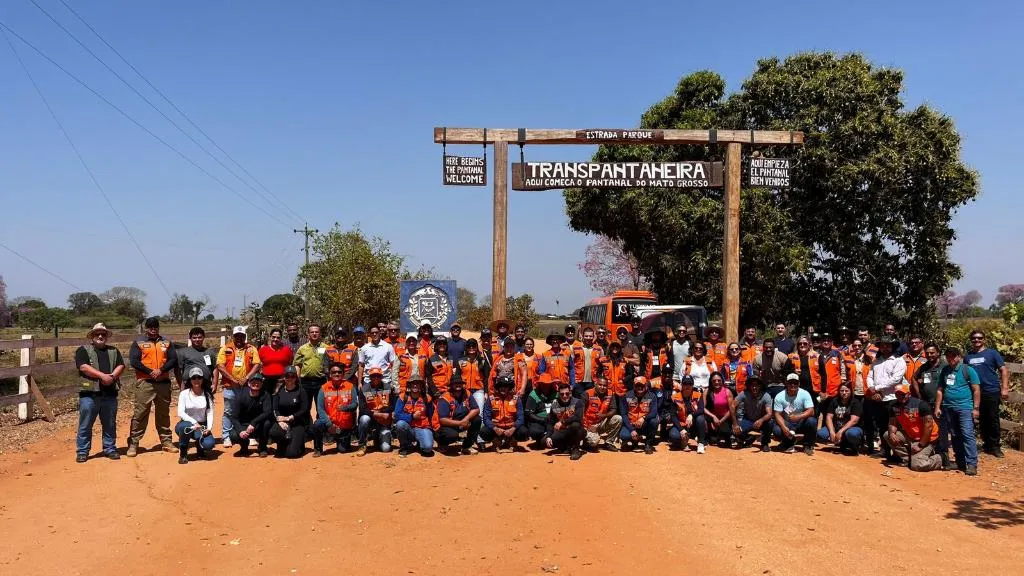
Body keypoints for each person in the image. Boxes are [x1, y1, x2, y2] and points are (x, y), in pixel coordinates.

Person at [127, 316, 178, 456]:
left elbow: (173, 359)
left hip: (163, 383)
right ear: (146, 328)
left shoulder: (166, 342)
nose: (153, 329)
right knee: (140, 413)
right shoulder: (139, 343)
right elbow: (134, 361)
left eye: (155, 326)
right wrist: (150, 372)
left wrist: (161, 370)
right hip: (145, 383)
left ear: (158, 328)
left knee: (163, 414)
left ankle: (166, 441)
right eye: (150, 326)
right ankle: (133, 443)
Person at [75, 323, 125, 462]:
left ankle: (109, 448)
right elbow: (83, 367)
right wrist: (102, 376)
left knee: (110, 423)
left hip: (109, 394)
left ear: (106, 336)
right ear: (92, 336)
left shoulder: (114, 351)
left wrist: (112, 377)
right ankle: (82, 451)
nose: (100, 336)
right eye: (97, 334)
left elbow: (121, 365)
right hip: (89, 394)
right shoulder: (83, 350)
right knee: (85, 424)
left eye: (103, 334)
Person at [935, 347, 981, 476]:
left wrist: (976, 409)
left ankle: (971, 463)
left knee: (967, 434)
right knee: (955, 435)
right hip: (948, 407)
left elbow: (976, 390)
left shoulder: (968, 370)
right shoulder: (945, 370)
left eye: (953, 356)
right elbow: (940, 389)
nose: (951, 358)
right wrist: (938, 407)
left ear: (959, 356)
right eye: (948, 356)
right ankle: (960, 461)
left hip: (965, 407)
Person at [215, 326, 262, 449]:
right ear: (233, 336)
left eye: (242, 336)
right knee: (229, 411)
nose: (239, 338)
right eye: (237, 336)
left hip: (247, 386)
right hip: (230, 386)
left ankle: (250, 436)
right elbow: (220, 365)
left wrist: (246, 378)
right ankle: (226, 437)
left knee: (248, 410)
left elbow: (257, 365)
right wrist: (232, 379)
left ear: (245, 337)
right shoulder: (225, 349)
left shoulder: (251, 349)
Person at [965, 330, 1009, 458]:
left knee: (993, 418)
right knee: (981, 418)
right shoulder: (968, 356)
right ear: (971, 340)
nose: (976, 340)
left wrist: (1004, 387)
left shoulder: (992, 353)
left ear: (984, 339)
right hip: (975, 392)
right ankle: (986, 444)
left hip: (991, 390)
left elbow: (1003, 369)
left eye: (979, 338)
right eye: (974, 338)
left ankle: (995, 446)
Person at [865, 337, 907, 457]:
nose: (885, 348)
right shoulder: (876, 361)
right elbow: (869, 376)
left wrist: (877, 388)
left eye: (888, 345)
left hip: (893, 398)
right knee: (881, 424)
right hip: (878, 398)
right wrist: (872, 389)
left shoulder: (898, 361)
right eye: (883, 345)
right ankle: (885, 450)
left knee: (894, 426)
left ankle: (898, 453)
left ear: (892, 347)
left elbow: (895, 379)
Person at [884, 385, 942, 471]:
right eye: (897, 394)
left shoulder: (920, 405)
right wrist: (891, 433)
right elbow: (892, 423)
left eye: (903, 394)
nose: (900, 397)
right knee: (887, 435)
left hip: (927, 438)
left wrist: (921, 445)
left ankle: (940, 459)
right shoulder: (894, 406)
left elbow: (929, 426)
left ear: (909, 394)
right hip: (911, 435)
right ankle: (907, 459)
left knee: (918, 465)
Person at [311, 362, 358, 456]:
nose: (337, 374)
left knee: (342, 450)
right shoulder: (324, 388)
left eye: (339, 372)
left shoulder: (350, 386)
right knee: (317, 424)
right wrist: (329, 424)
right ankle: (318, 449)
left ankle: (340, 438)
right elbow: (320, 409)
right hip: (330, 422)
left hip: (344, 424)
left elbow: (355, 404)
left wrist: (346, 408)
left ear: (343, 374)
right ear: (330, 374)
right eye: (334, 372)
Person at [175, 367, 217, 464]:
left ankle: (200, 447)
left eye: (199, 377)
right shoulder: (184, 394)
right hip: (187, 424)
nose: (196, 380)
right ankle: (183, 453)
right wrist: (194, 422)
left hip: (201, 426)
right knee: (185, 426)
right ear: (190, 380)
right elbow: (180, 412)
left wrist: (209, 428)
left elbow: (209, 412)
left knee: (209, 444)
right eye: (194, 378)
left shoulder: (207, 394)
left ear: (203, 379)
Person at [269, 366, 310, 458]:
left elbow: (305, 409)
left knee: (291, 454)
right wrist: (280, 420)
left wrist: (290, 417)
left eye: (292, 376)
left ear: (296, 378)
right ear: (284, 377)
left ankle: (299, 444)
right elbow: (275, 409)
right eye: (287, 376)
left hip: (297, 422)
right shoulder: (278, 390)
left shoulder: (301, 391)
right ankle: (282, 443)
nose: (290, 379)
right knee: (273, 432)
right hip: (283, 422)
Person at [228, 372, 272, 457]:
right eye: (253, 381)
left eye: (259, 382)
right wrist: (240, 430)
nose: (256, 383)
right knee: (233, 435)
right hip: (244, 425)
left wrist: (253, 423)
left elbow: (267, 412)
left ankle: (262, 447)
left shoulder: (265, 395)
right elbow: (233, 416)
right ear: (248, 383)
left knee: (267, 424)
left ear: (262, 384)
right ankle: (244, 447)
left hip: (258, 424)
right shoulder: (241, 396)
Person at [773, 373, 817, 455]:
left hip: (801, 423)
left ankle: (807, 445)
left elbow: (811, 411)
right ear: (786, 383)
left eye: (795, 383)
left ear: (799, 384)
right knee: (777, 429)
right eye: (790, 382)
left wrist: (798, 416)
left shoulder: (805, 393)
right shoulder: (779, 396)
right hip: (787, 423)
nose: (793, 385)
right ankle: (789, 442)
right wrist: (783, 427)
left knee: (812, 421)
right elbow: (777, 414)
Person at [436, 377, 482, 454]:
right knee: (452, 435)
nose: (458, 385)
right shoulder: (445, 398)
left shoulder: (467, 393)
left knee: (477, 419)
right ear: (451, 385)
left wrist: (466, 419)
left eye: (460, 383)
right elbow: (443, 420)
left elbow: (476, 409)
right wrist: (460, 423)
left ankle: (467, 446)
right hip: (447, 425)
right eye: (455, 384)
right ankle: (442, 443)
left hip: (463, 421)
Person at [481, 375, 527, 452]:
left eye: (506, 386)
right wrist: (495, 428)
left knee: (524, 432)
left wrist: (513, 428)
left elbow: (521, 417)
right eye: (501, 386)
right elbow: (486, 418)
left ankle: (512, 441)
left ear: (509, 387)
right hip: (496, 428)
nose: (503, 388)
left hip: (511, 428)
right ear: (498, 387)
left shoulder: (516, 399)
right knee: (484, 432)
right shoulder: (491, 399)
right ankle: (496, 440)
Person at [817, 382, 864, 454]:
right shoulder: (834, 401)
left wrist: (840, 432)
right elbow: (829, 417)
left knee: (852, 434)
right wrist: (832, 431)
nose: (844, 393)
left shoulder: (855, 403)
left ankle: (853, 444)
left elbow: (854, 421)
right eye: (842, 391)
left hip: (851, 429)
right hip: (836, 427)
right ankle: (840, 442)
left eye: (846, 391)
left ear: (851, 391)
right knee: (821, 434)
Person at [357, 367, 395, 456]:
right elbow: (362, 409)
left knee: (386, 449)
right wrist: (374, 414)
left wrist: (382, 412)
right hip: (370, 417)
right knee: (363, 419)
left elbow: (393, 406)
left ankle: (377, 436)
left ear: (381, 377)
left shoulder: (388, 388)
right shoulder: (364, 389)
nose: (376, 378)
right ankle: (362, 445)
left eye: (378, 376)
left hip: (384, 419)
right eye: (373, 376)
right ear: (370, 378)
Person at [292, 324, 327, 419]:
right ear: (308, 334)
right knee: (305, 408)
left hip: (321, 382)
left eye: (317, 332)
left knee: (321, 407)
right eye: (312, 332)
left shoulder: (326, 347)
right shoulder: (302, 348)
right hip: (305, 382)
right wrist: (297, 380)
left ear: (320, 334)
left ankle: (320, 429)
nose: (314, 334)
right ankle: (306, 429)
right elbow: (297, 365)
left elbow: (329, 364)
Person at [664, 375, 707, 453]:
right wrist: (681, 430)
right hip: (681, 424)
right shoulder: (675, 397)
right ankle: (683, 441)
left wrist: (691, 415)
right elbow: (673, 416)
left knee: (701, 418)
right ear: (681, 385)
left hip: (693, 424)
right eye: (685, 383)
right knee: (674, 436)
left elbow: (701, 409)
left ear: (692, 385)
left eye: (690, 384)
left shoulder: (698, 395)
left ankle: (701, 443)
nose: (687, 386)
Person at [394, 378, 435, 458]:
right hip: (409, 429)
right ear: (409, 385)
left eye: (418, 383)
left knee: (427, 448)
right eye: (413, 383)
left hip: (423, 428)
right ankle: (404, 446)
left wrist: (434, 430)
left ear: (421, 386)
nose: (415, 385)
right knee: (400, 424)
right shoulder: (403, 397)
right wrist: (412, 416)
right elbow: (397, 415)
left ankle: (420, 444)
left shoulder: (427, 398)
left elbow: (432, 415)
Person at [544, 382, 585, 460]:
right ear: (558, 394)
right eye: (562, 394)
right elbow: (550, 421)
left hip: (576, 431)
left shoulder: (578, 402)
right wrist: (548, 436)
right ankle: (566, 447)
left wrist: (563, 422)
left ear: (570, 393)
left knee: (575, 425)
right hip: (562, 431)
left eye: (567, 393)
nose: (565, 396)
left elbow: (578, 417)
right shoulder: (554, 404)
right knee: (545, 441)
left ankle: (576, 449)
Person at [620, 376, 658, 454]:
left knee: (654, 421)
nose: (640, 387)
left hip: (644, 424)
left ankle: (648, 444)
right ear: (634, 386)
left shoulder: (652, 396)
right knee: (624, 435)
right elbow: (623, 414)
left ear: (646, 386)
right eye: (637, 385)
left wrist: (643, 418)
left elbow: (654, 412)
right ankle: (634, 441)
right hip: (631, 424)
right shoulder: (627, 396)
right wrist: (632, 430)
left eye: (642, 385)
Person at [357, 325, 398, 397]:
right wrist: (359, 383)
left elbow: (393, 364)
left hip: (385, 381)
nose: (374, 334)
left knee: (385, 405)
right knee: (370, 404)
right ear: (369, 334)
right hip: (368, 382)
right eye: (372, 333)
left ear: (380, 333)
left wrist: (394, 382)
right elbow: (361, 365)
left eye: (376, 332)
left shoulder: (388, 347)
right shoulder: (364, 348)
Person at [734, 375, 772, 451]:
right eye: (752, 385)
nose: (754, 387)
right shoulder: (744, 393)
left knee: (770, 423)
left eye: (757, 385)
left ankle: (765, 443)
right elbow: (732, 405)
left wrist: (761, 420)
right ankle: (748, 438)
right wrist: (735, 423)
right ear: (749, 386)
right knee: (734, 430)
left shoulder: (766, 396)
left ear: (761, 386)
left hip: (761, 421)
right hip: (748, 420)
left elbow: (769, 413)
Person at [582, 376, 621, 451]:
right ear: (595, 384)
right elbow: (580, 412)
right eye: (600, 385)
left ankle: (609, 443)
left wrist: (604, 415)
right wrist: (587, 426)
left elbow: (614, 409)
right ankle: (586, 440)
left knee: (618, 418)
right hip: (588, 424)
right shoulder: (587, 393)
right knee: (593, 442)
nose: (602, 387)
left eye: (605, 385)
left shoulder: (610, 393)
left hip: (601, 423)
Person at [175, 326, 217, 392]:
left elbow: (214, 368)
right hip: (188, 386)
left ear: (203, 337)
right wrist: (181, 386)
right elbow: (177, 371)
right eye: (194, 338)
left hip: (206, 385)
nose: (197, 340)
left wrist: (214, 384)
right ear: (190, 338)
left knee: (206, 402)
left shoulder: (209, 352)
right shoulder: (183, 352)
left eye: (199, 337)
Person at [788, 336, 822, 414]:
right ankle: (795, 423)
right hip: (797, 388)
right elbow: (784, 371)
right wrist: (793, 371)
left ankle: (812, 424)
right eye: (800, 343)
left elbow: (823, 374)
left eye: (805, 343)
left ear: (809, 345)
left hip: (813, 389)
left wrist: (823, 391)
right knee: (796, 408)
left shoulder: (817, 356)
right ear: (797, 345)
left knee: (814, 409)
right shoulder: (791, 356)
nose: (802, 345)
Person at [703, 372, 737, 448]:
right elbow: (703, 408)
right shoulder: (706, 391)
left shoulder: (727, 391)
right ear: (711, 381)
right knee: (712, 439)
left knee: (725, 433)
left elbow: (731, 409)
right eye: (714, 380)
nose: (717, 382)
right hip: (712, 418)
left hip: (725, 418)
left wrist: (721, 421)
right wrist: (713, 417)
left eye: (719, 380)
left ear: (722, 381)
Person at [524, 373, 558, 445]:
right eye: (543, 384)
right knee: (534, 431)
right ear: (540, 384)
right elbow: (529, 414)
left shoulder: (556, 393)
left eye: (548, 384)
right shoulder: (533, 394)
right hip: (540, 420)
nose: (545, 386)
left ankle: (548, 438)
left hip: (554, 420)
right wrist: (543, 420)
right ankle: (544, 438)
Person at [258, 328, 294, 394]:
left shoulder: (287, 350)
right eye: (273, 337)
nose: (275, 339)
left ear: (281, 338)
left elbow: (290, 363)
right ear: (270, 337)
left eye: (278, 337)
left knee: (279, 401)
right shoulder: (263, 350)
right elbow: (258, 364)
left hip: (282, 381)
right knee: (267, 401)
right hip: (266, 380)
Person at [574, 327, 604, 398]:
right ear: (583, 336)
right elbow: (571, 365)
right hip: (578, 381)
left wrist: (599, 379)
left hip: (592, 381)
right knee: (578, 403)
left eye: (590, 336)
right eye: (586, 336)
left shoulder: (599, 349)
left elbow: (602, 366)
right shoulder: (575, 348)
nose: (588, 338)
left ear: (593, 337)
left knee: (591, 403)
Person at [817, 333, 846, 405]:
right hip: (820, 390)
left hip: (835, 390)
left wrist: (842, 382)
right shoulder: (816, 355)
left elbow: (843, 370)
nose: (826, 342)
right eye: (824, 340)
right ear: (820, 342)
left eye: (828, 340)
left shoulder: (838, 354)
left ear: (832, 343)